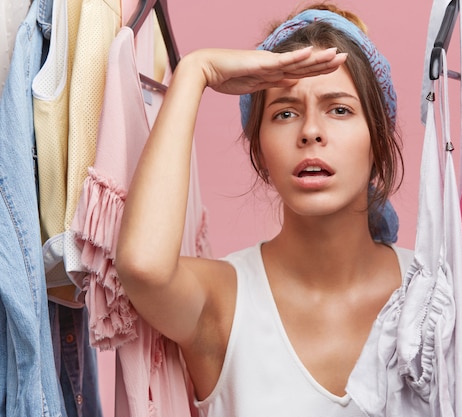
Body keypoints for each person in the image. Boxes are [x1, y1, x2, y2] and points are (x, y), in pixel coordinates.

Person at [116, 3, 412, 416]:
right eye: (285, 113)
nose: (310, 132)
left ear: (378, 140)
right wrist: (195, 72)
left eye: (339, 109)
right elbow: (143, 267)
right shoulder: (223, 302)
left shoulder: (436, 296)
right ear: (260, 149)